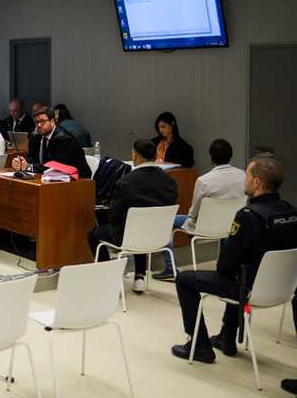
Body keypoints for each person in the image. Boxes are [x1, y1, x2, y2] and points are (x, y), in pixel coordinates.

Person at [171, 155, 297, 363]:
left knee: (185, 279)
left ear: (257, 182)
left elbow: (225, 265)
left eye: (247, 174)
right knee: (242, 269)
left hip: (248, 289)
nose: (244, 180)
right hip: (281, 290)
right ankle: (227, 337)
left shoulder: (248, 216)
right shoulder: (291, 212)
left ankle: (199, 346)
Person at [88, 139, 178, 292]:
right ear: (155, 156)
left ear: (135, 156)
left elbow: (113, 216)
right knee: (140, 226)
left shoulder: (125, 182)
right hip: (159, 237)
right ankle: (139, 276)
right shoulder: (170, 182)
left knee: (95, 235)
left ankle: (108, 279)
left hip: (130, 237)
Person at [155, 139, 246, 280]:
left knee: (168, 221)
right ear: (231, 155)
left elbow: (193, 213)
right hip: (231, 225)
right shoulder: (243, 175)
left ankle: (170, 268)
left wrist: (191, 220)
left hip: (204, 226)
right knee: (223, 227)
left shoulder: (204, 180)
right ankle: (224, 268)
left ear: (211, 156)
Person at [11, 107, 92, 179]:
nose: (39, 125)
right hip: (47, 179)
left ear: (53, 121)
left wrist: (29, 167)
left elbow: (55, 166)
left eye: (42, 121)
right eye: (36, 122)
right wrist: (22, 163)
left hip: (78, 181)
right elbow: (32, 159)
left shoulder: (64, 139)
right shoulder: (37, 137)